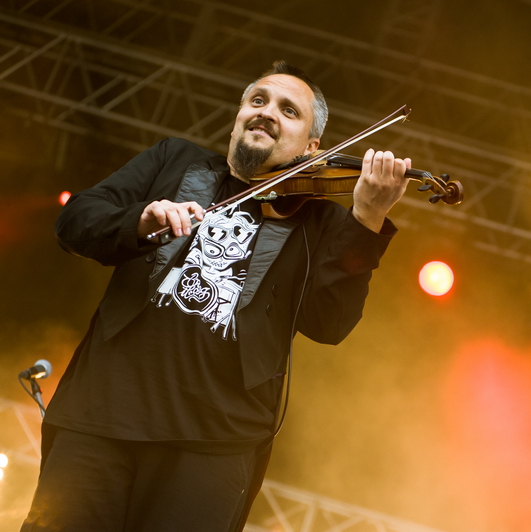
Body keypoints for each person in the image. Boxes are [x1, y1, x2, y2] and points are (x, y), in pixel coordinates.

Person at [21, 60, 410, 531]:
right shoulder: (173, 162)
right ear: (240, 115)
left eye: (289, 111)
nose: (267, 112)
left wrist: (366, 219)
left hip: (215, 446)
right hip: (102, 415)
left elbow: (329, 325)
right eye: (258, 100)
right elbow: (75, 221)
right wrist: (140, 220)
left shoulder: (320, 222)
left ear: (312, 148)